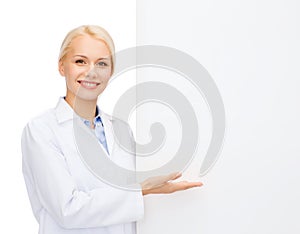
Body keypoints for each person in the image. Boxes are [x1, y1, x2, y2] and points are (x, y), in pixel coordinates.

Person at [21, 25, 202, 234]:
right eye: (80, 61)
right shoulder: (42, 130)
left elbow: (127, 211)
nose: (91, 71)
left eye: (102, 64)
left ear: (110, 72)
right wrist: (142, 189)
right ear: (62, 67)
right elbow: (68, 209)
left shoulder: (122, 131)